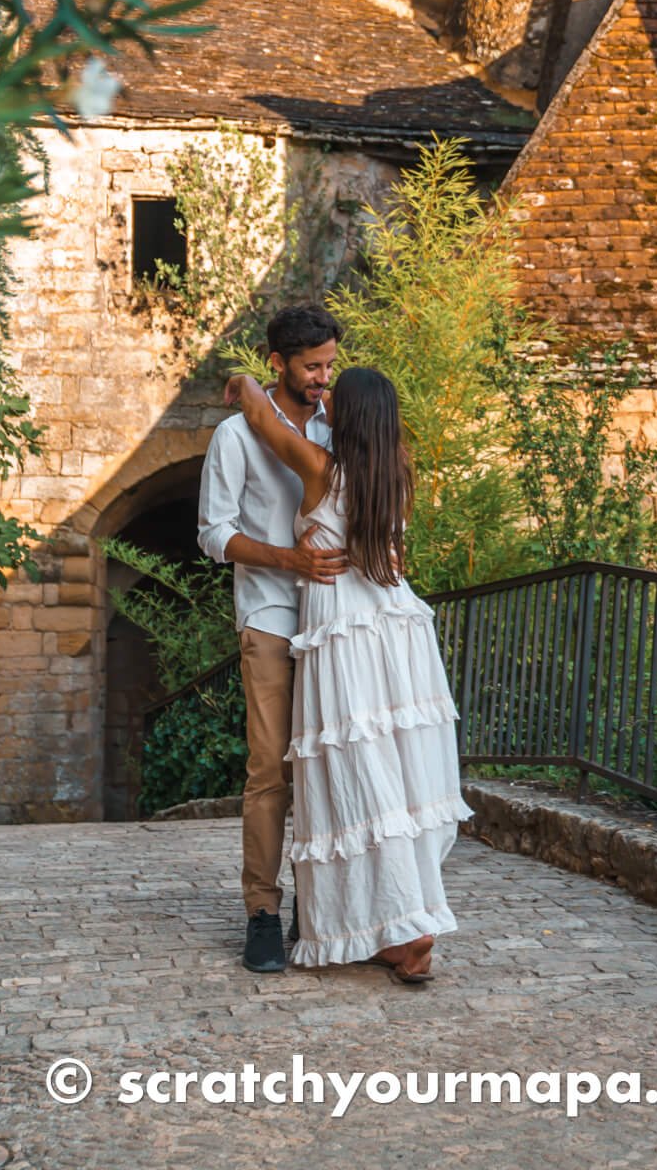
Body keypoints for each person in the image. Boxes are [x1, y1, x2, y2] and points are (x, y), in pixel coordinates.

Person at [222, 362, 472, 984]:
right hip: (400, 631)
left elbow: (259, 418)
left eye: (336, 389)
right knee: (400, 774)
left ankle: (409, 927)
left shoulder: (320, 467)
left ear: (351, 416)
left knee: (356, 772)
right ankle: (393, 926)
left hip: (347, 634)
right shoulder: (398, 469)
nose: (324, 389)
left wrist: (240, 381)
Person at [198, 305, 346, 973]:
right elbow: (212, 535)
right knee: (269, 771)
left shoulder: (343, 428)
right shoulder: (235, 435)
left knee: (331, 765)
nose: (322, 377)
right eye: (312, 366)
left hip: (338, 618)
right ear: (279, 363)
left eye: (329, 365)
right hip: (267, 615)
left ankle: (322, 909)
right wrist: (289, 562)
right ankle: (262, 911)